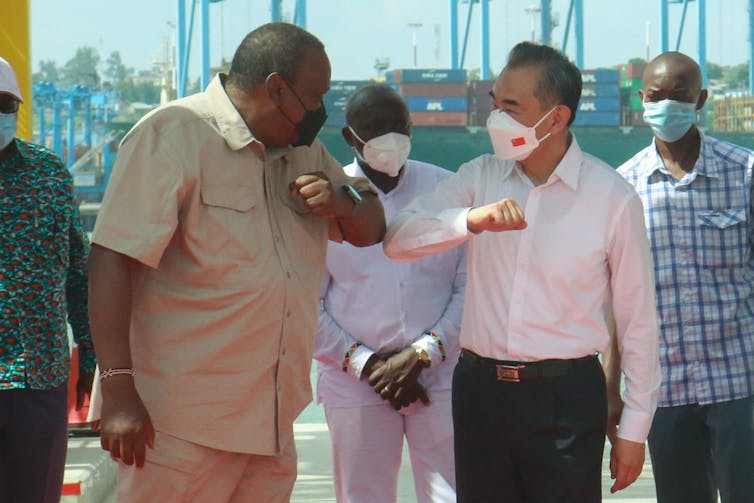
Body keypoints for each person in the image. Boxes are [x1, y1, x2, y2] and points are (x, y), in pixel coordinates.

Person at [87, 23, 385, 502]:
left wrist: (343, 201)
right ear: (275, 88)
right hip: (181, 428)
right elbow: (111, 262)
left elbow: (372, 227)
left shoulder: (304, 152)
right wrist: (118, 390)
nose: (321, 112)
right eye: (315, 95)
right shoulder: (173, 136)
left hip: (270, 425)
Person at [383, 41, 661, 503]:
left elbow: (639, 323)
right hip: (480, 394)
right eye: (495, 103)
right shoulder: (479, 177)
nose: (496, 117)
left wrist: (634, 429)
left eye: (511, 107)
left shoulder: (612, 198)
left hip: (566, 400)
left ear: (556, 118)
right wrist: (469, 220)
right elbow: (397, 239)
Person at [611, 51, 754, 503]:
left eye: (680, 96)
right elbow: (618, 303)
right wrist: (610, 390)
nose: (666, 106)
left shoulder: (745, 173)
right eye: (656, 97)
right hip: (665, 388)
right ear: (641, 99)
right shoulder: (624, 188)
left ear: (701, 99)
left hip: (741, 384)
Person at [314, 83, 464, 503]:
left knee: (451, 495)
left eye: (399, 125)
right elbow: (305, 306)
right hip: (353, 383)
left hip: (440, 375)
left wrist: (421, 355)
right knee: (362, 495)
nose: (390, 138)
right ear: (350, 137)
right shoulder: (328, 201)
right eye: (376, 128)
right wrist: (367, 366)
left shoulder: (448, 191)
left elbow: (469, 288)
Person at [0, 56, 94, 503]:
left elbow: (78, 271)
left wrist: (91, 356)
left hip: (39, 378)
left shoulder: (49, 174)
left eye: (4, 105)